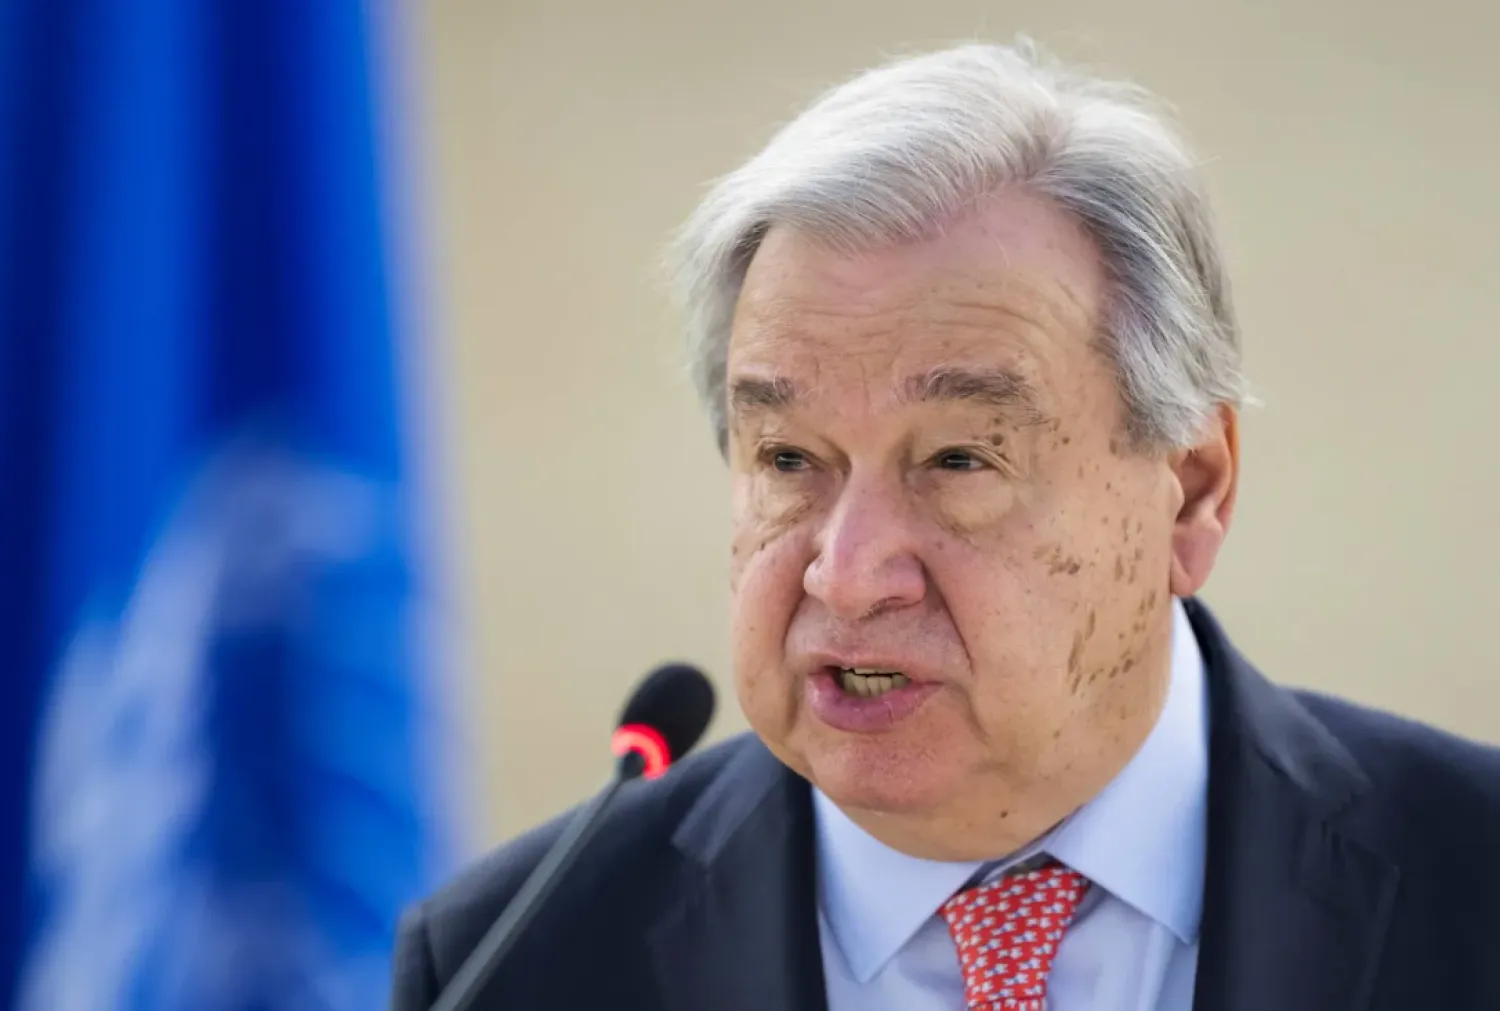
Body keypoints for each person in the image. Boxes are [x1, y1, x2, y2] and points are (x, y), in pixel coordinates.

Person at [389, 40, 1500, 1011]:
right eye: (788, 459)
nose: (850, 573)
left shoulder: (1473, 882)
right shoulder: (513, 962)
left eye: (959, 459)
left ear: (1194, 490)